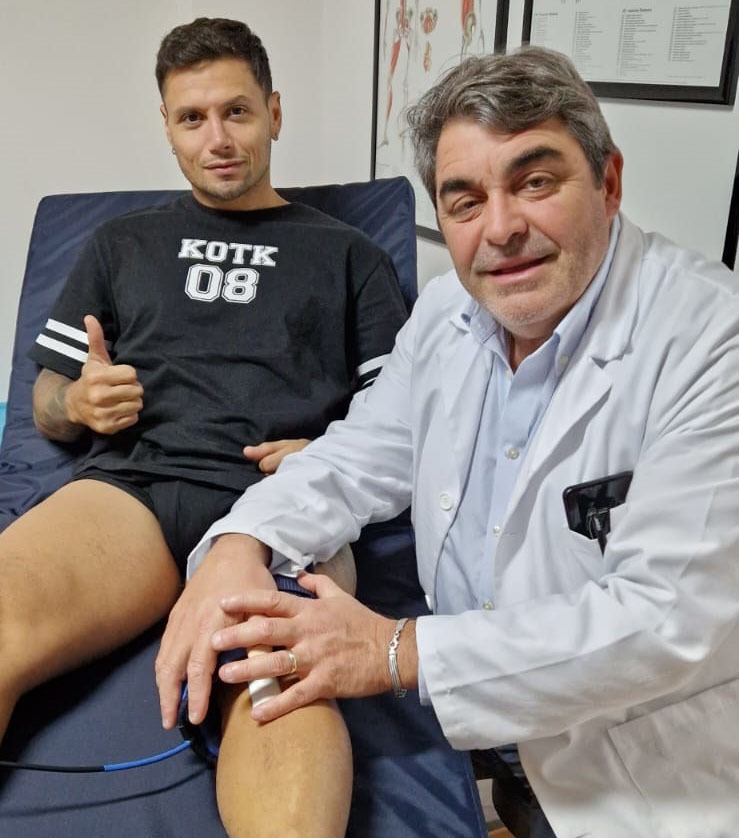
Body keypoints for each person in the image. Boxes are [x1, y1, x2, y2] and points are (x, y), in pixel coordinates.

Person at [157, 46, 739, 838]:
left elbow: (666, 620)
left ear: (608, 182)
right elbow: (361, 453)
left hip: (637, 764)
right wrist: (241, 540)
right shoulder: (445, 315)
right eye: (464, 201)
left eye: (535, 182)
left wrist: (394, 652)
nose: (500, 228)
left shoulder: (709, 340)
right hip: (483, 735)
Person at [1, 16, 408, 838]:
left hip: (279, 497)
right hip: (134, 491)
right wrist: (77, 403)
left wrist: (331, 450)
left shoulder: (349, 256)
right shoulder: (122, 243)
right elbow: (44, 396)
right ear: (167, 126)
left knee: (277, 685)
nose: (216, 138)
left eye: (236, 112)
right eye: (192, 118)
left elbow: (401, 419)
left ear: (274, 113)